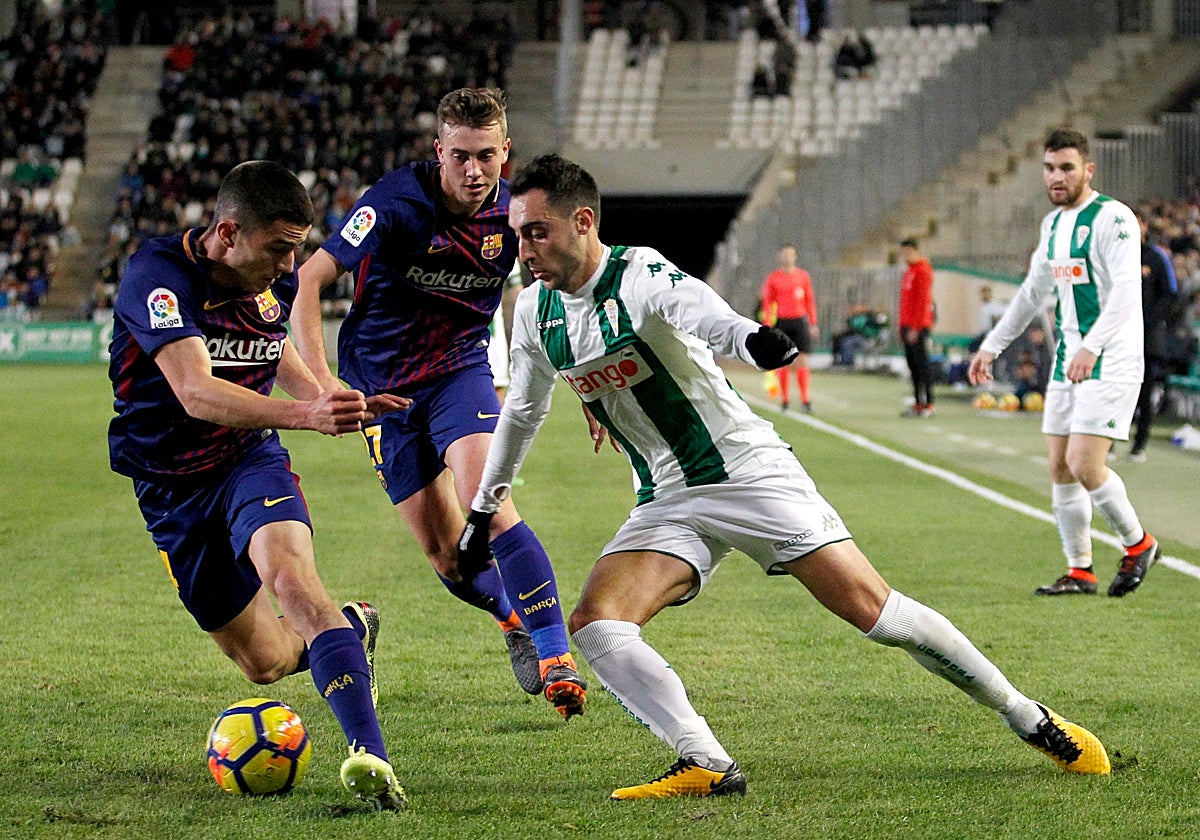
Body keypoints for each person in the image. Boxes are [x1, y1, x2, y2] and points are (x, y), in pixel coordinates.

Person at [461, 152, 1111, 800]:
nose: (523, 247)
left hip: (748, 472)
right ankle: (707, 763)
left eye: (536, 231)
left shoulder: (638, 274)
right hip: (667, 497)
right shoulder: (536, 312)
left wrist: (752, 341)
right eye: (518, 233)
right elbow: (521, 410)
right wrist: (485, 508)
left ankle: (1029, 717)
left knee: (877, 613)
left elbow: (702, 313)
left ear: (582, 222)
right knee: (598, 626)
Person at [107, 160, 408, 810]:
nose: (289, 265)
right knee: (265, 663)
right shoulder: (157, 278)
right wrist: (308, 415)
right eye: (277, 248)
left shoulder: (276, 276)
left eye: (296, 248)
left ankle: (371, 755)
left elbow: (279, 356)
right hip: (170, 489)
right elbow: (194, 390)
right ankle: (355, 628)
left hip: (249, 460)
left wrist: (332, 396)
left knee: (294, 582)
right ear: (226, 233)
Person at [291, 87, 586, 718]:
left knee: (488, 497)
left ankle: (557, 654)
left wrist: (590, 379)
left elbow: (564, 288)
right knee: (447, 554)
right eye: (460, 157)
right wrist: (322, 385)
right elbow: (311, 279)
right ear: (439, 151)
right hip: (379, 390)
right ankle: (512, 619)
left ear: (506, 151)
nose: (475, 172)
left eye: (487, 156)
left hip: (458, 373)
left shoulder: (516, 214)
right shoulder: (392, 201)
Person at [968, 128, 1160, 598]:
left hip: (1109, 356)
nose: (1057, 177)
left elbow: (1125, 293)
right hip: (1067, 361)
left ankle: (1139, 544)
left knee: (1083, 461)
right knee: (1059, 466)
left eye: (1067, 168)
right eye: (1050, 168)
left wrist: (1091, 347)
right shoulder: (1052, 226)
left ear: (1088, 170)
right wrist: (991, 345)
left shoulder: (1113, 219)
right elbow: (1033, 294)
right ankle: (1081, 570)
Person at [1129, 210, 1179, 461]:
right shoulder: (1114, 254)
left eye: (1136, 222)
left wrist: (1150, 319)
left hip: (1148, 337)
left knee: (1145, 391)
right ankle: (1108, 442)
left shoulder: (1156, 257)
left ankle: (1140, 444)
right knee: (1115, 389)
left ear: (1144, 226)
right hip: (1118, 336)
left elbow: (1170, 292)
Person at [760, 243, 818, 411]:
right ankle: (785, 400)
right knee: (784, 361)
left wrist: (813, 322)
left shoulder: (803, 276)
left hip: (799, 321)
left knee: (802, 360)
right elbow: (768, 303)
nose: (787, 257)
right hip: (783, 321)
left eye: (789, 254)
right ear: (780, 256)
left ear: (795, 256)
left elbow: (810, 300)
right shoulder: (774, 278)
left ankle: (805, 400)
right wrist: (767, 325)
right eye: (784, 254)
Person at [899, 238, 936, 416]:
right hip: (906, 325)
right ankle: (918, 402)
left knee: (922, 365)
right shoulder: (909, 271)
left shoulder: (923, 270)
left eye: (907, 252)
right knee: (912, 366)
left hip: (918, 326)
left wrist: (915, 327)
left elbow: (923, 302)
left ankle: (928, 403)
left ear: (915, 250)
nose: (905, 256)